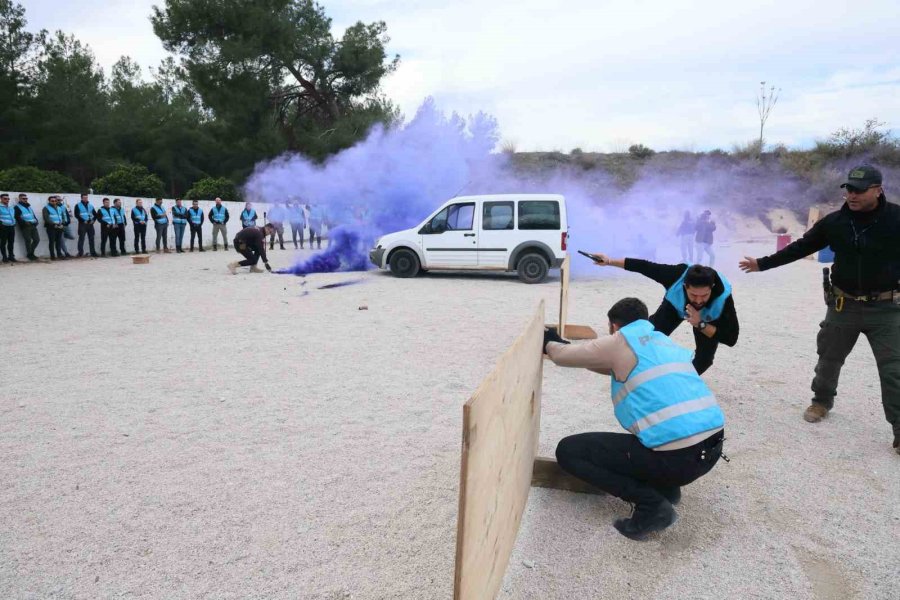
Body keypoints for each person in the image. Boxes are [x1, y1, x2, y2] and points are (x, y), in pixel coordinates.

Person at [740, 165, 900, 454]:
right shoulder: (835, 222)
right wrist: (762, 263)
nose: (852, 194)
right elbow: (801, 247)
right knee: (828, 358)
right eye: (849, 189)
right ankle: (822, 401)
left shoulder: (897, 218)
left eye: (859, 190)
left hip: (887, 309)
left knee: (894, 371)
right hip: (843, 305)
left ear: (878, 189)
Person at [545, 297, 726, 540]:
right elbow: (600, 362)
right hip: (710, 451)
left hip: (676, 459)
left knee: (569, 451)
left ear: (614, 327)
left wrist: (549, 342)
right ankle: (666, 488)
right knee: (660, 433)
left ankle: (652, 506)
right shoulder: (661, 341)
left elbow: (564, 356)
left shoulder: (620, 341)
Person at [586, 254, 739, 375]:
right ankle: (620, 356)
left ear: (711, 288)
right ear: (685, 286)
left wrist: (700, 324)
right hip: (675, 306)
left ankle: (681, 382)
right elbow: (644, 266)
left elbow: (731, 339)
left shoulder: (723, 299)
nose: (698, 301)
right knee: (647, 336)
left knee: (704, 360)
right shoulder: (675, 276)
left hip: (705, 319)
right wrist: (609, 261)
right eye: (693, 295)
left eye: (704, 296)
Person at [14, 193, 40, 261]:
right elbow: (17, 217)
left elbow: (33, 215)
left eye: (26, 198)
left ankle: (30, 253)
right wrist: (25, 223)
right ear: (19, 199)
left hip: (33, 225)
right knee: (28, 240)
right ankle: (30, 254)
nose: (25, 200)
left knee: (37, 240)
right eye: (23, 198)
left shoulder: (29, 206)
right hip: (25, 227)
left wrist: (36, 221)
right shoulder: (17, 207)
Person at [73, 193, 98, 257]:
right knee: (81, 238)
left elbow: (95, 215)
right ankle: (80, 253)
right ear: (81, 198)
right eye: (84, 197)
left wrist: (93, 220)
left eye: (86, 197)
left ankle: (93, 252)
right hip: (82, 224)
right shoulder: (78, 205)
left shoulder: (90, 205)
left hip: (90, 224)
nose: (85, 199)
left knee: (91, 238)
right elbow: (76, 215)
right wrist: (83, 221)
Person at [0, 193, 18, 263]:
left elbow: (13, 216)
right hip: (3, 227)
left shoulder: (10, 207)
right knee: (3, 242)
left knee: (11, 242)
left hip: (11, 226)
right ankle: (4, 257)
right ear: (1, 199)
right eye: (5, 199)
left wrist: (14, 222)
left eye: (8, 199)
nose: (7, 200)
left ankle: (11, 256)